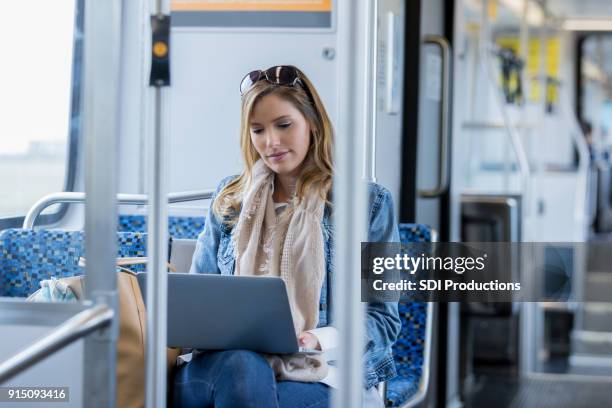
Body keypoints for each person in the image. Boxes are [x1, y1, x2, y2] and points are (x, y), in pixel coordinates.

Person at [174, 65, 401, 408]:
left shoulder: (368, 204)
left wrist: (315, 339)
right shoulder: (229, 197)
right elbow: (198, 299)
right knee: (242, 367)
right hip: (222, 366)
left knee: (249, 381)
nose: (271, 142)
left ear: (312, 122)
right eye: (258, 130)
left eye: (283, 125)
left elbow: (382, 320)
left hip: (319, 371)